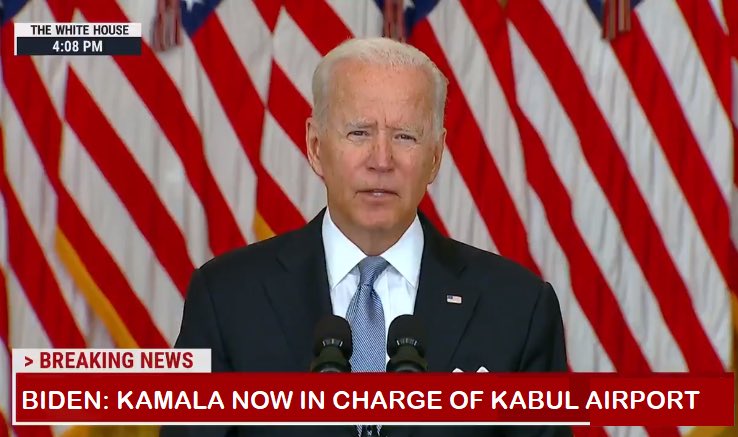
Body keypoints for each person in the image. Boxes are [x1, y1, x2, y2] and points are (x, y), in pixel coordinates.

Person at [161, 37, 569, 437]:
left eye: (405, 136)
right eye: (359, 133)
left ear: (435, 155)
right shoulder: (226, 298)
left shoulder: (519, 308)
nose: (381, 160)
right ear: (316, 147)